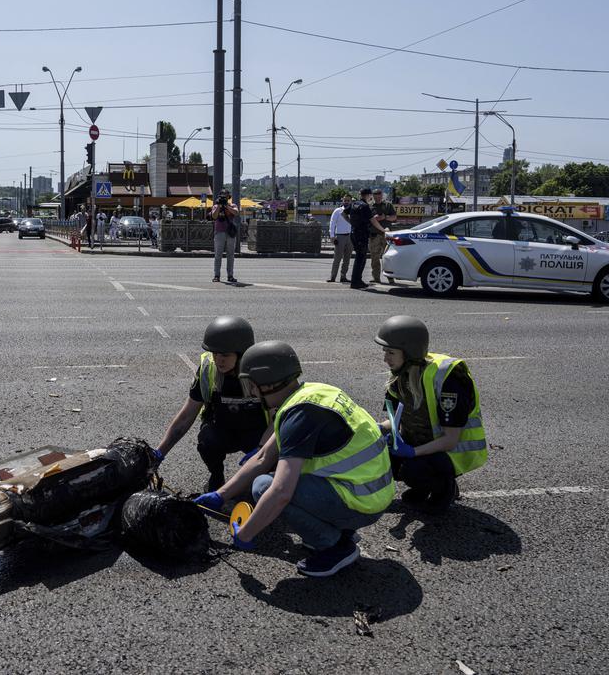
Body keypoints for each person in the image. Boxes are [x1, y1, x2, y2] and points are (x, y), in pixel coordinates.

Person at [195, 341, 393, 577]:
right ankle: (340, 528)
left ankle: (336, 546)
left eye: (253, 385)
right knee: (270, 481)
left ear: (267, 384)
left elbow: (281, 492)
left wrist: (245, 533)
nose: (252, 393)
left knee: (264, 487)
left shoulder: (299, 416)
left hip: (362, 502)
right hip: (370, 490)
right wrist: (221, 495)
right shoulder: (309, 395)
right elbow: (262, 458)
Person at [374, 315, 486, 513]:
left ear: (409, 352)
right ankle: (422, 486)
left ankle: (445, 488)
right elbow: (393, 419)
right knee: (378, 457)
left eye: (390, 352)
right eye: (385, 352)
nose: (385, 358)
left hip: (453, 452)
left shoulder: (448, 379)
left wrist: (412, 453)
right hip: (423, 443)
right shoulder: (400, 375)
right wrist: (373, 431)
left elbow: (451, 440)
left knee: (413, 470)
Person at [155, 317, 268, 492]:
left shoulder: (261, 372)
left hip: (256, 434)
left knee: (262, 480)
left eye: (225, 355)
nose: (218, 359)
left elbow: (280, 417)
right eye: (215, 353)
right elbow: (187, 416)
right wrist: (159, 453)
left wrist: (264, 450)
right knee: (207, 441)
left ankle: (255, 475)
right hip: (222, 429)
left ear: (242, 354)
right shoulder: (209, 369)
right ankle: (216, 475)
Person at [348, 189, 384, 289]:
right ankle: (355, 282)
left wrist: (352, 223)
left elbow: (344, 213)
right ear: (368, 195)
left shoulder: (354, 204)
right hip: (361, 235)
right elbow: (373, 221)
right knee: (360, 258)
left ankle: (358, 280)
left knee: (361, 258)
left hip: (354, 233)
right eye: (370, 195)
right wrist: (383, 230)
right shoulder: (364, 206)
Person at [211, 192, 239, 283]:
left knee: (230, 255)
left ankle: (230, 275)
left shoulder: (232, 205)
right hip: (219, 232)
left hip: (230, 232)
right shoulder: (216, 206)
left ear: (228, 197)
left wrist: (227, 206)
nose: (223, 197)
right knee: (218, 255)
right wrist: (219, 206)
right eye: (221, 196)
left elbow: (236, 213)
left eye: (225, 196)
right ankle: (216, 275)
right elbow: (214, 216)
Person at [369, 190, 396, 284]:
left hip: (386, 235)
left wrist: (385, 218)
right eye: (375, 196)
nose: (378, 197)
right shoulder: (370, 207)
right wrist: (374, 219)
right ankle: (376, 278)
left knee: (388, 257)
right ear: (373, 196)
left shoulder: (388, 205)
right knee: (374, 257)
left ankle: (390, 278)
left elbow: (394, 218)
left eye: (379, 195)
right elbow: (367, 220)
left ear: (382, 195)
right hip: (374, 235)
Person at [326, 196, 353, 282]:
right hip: (340, 236)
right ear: (342, 201)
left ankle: (343, 277)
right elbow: (332, 223)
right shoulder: (337, 211)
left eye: (348, 200)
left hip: (350, 236)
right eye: (345, 200)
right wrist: (332, 235)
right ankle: (333, 277)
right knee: (337, 258)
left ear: (351, 201)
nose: (346, 202)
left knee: (347, 259)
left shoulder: (353, 211)